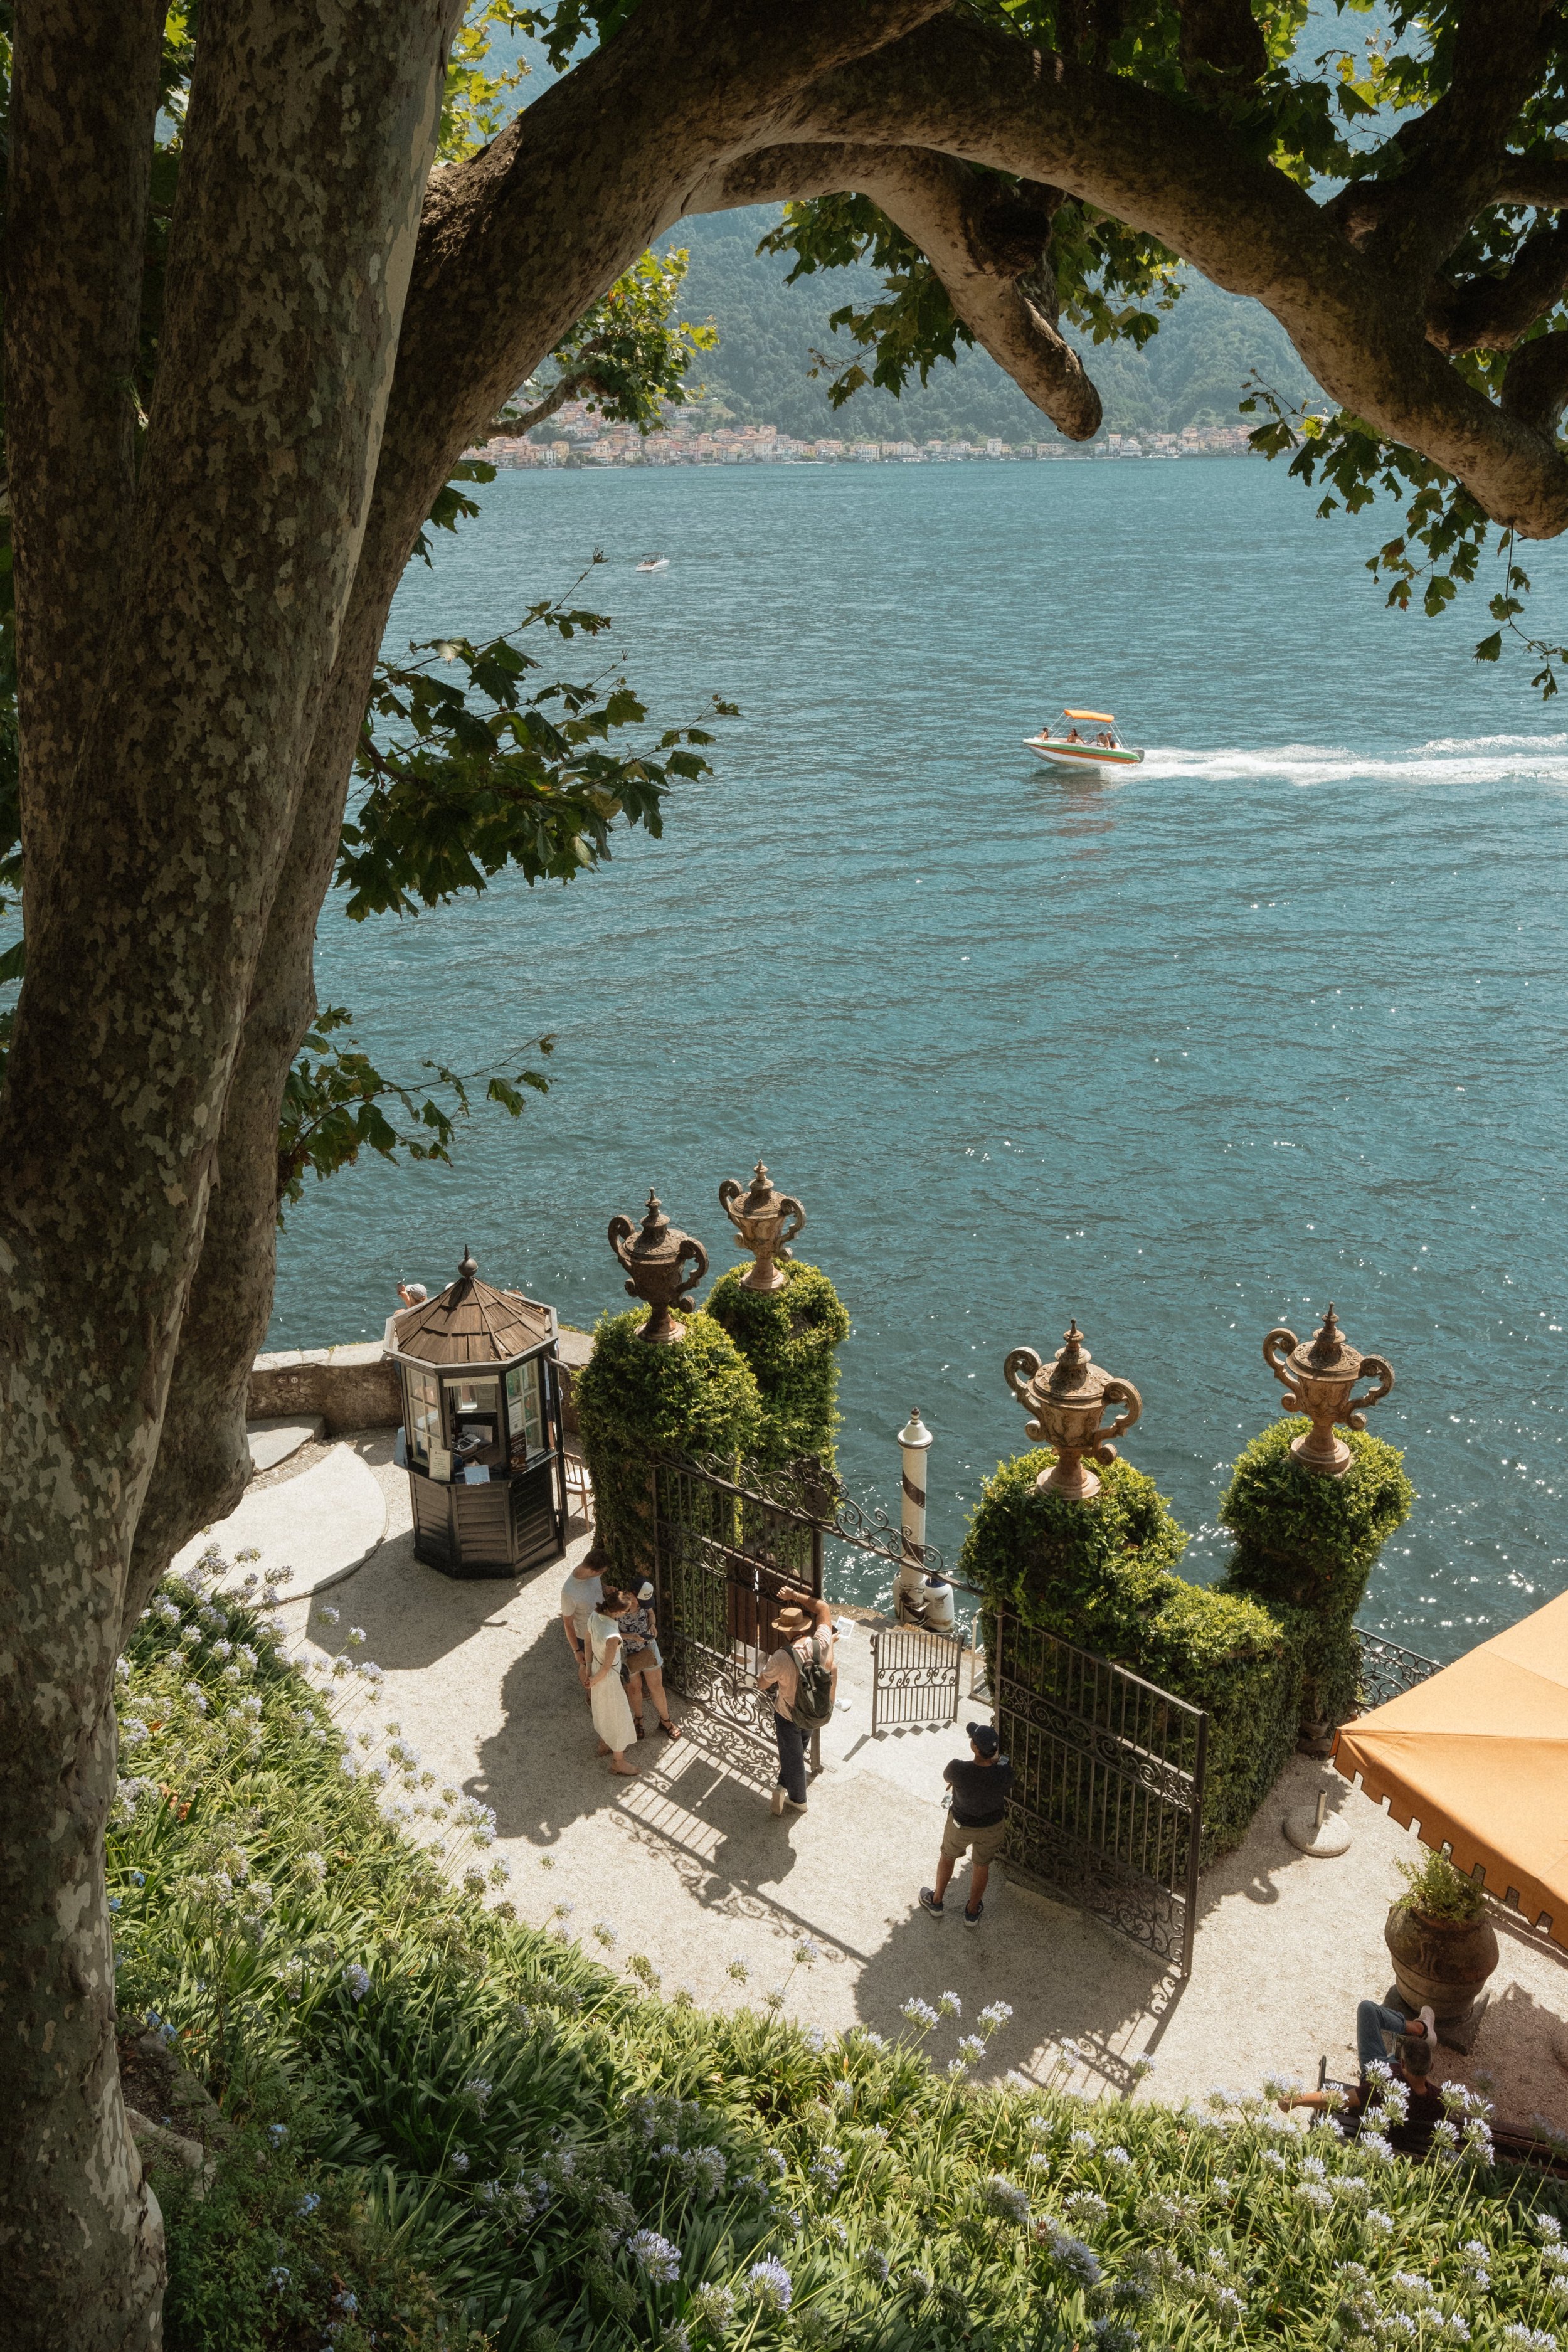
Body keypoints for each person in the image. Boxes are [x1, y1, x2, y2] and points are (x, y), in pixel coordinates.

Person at [1284, 1999, 1446, 2151]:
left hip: (1378, 2068)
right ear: (1431, 2067)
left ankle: (1420, 2029)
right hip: (1396, 2078)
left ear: (1402, 2064)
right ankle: (1421, 2030)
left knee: (1367, 2009)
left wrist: (1296, 2100)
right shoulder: (1440, 2100)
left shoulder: (1383, 2086)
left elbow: (1340, 2099)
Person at [919, 1721, 1013, 1927]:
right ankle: (972, 1912)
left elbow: (947, 1776)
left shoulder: (958, 1769)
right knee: (982, 1865)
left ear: (975, 1747)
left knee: (948, 1856)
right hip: (992, 1827)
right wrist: (997, 1763)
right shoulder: (1004, 1771)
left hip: (961, 1824)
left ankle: (936, 1902)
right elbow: (1005, 1779)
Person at [758, 1602, 837, 1818]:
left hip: (789, 1715)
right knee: (796, 1751)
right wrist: (796, 1596)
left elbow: (763, 1684)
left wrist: (764, 1673)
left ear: (784, 1631)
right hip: (814, 1710)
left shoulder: (781, 1656)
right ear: (804, 1625)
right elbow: (824, 1610)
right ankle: (783, 1784)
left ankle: (799, 1800)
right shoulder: (821, 1642)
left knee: (792, 1758)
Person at [584, 1588, 639, 1775]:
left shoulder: (595, 1615)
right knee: (618, 1717)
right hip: (608, 1678)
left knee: (602, 1711)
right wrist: (593, 1680)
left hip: (595, 1668)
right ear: (618, 1612)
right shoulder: (612, 1636)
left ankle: (604, 1743)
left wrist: (589, 1670)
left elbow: (588, 1639)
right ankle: (618, 1761)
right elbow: (608, 1667)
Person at [620, 1579, 681, 1742]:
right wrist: (631, 1637)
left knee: (657, 1687)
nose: (644, 1605)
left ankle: (665, 1720)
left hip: (648, 1648)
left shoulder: (644, 1603)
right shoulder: (618, 1604)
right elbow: (610, 1632)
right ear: (632, 1594)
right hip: (628, 1653)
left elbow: (651, 1614)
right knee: (634, 1689)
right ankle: (638, 1719)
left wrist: (652, 1625)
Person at [560, 1542, 608, 1677]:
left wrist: (605, 1588)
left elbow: (597, 1585)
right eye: (601, 1572)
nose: (602, 1575)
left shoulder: (592, 1573)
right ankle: (588, 1690)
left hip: (602, 1627)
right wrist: (576, 1650)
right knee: (587, 1666)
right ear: (593, 1571)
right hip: (585, 1636)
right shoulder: (569, 1592)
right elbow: (568, 1624)